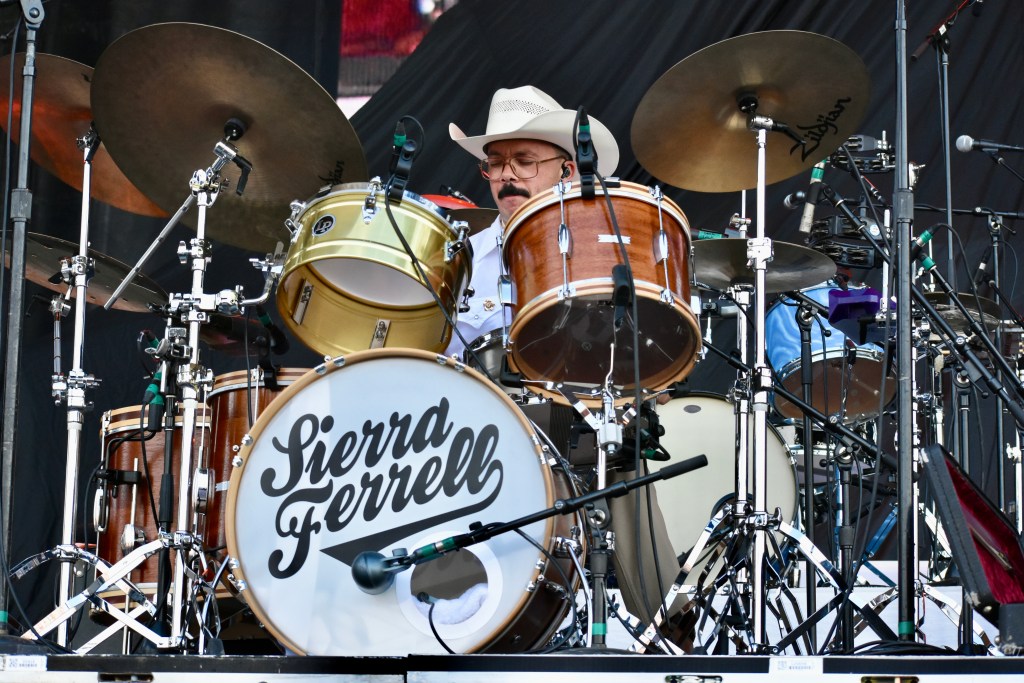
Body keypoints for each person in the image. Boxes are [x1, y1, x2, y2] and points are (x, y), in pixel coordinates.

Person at [447, 85, 690, 643]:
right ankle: (464, 614)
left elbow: (633, 350)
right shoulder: (460, 260)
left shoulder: (601, 250)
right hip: (477, 438)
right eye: (495, 163)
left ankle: (667, 626)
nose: (506, 175)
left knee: (621, 446)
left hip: (575, 419)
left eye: (524, 161)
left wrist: (637, 395)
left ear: (563, 169)